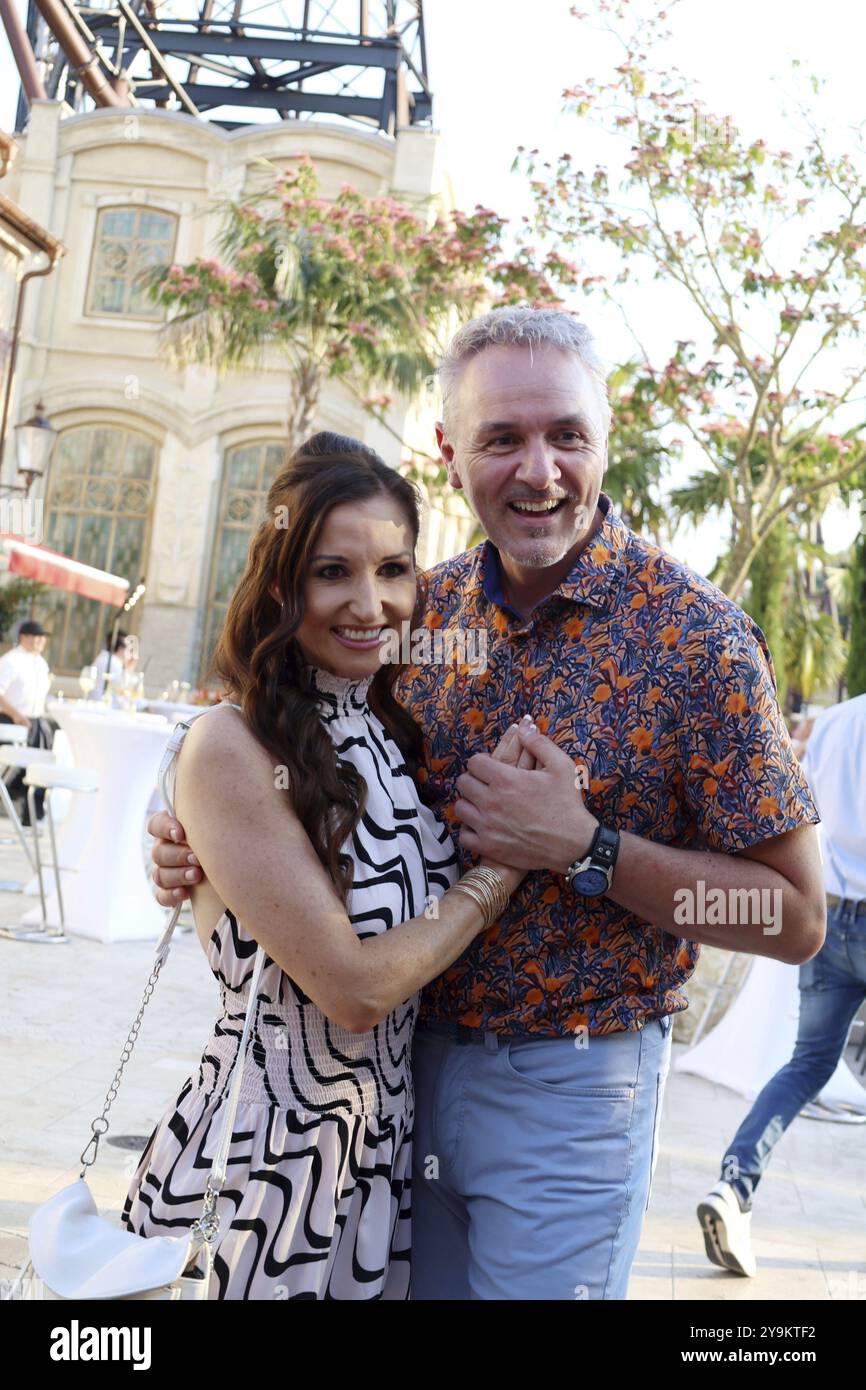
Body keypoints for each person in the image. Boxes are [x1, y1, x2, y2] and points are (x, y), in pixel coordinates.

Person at [150, 306, 826, 1301]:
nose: (538, 470)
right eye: (502, 438)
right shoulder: (415, 613)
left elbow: (793, 917)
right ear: (449, 451)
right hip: (390, 1099)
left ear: (607, 439)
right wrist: (184, 843)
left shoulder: (697, 641)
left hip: (572, 1091)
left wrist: (588, 848)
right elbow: (293, 770)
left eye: (565, 435)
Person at [122, 432, 533, 1300]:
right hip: (262, 1172)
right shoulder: (232, 742)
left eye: (393, 570)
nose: (370, 603)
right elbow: (351, 989)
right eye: (331, 571)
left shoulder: (385, 731)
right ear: (281, 584)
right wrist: (498, 879)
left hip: (375, 1168)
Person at [698, 691, 866, 1277]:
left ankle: (734, 1185)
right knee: (812, 1065)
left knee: (808, 1065)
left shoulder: (835, 723)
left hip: (833, 915)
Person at [0, 618, 56, 823]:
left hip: (34, 722)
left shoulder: (41, 663)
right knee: (13, 769)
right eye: (36, 636)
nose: (40, 641)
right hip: (11, 721)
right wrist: (16, 715)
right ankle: (10, 809)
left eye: (43, 637)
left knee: (37, 769)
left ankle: (31, 816)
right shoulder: (11, 660)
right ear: (23, 637)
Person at [92, 628, 135, 700]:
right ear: (121, 649)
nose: (131, 655)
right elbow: (124, 695)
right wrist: (129, 670)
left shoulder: (103, 658)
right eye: (130, 650)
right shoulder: (114, 663)